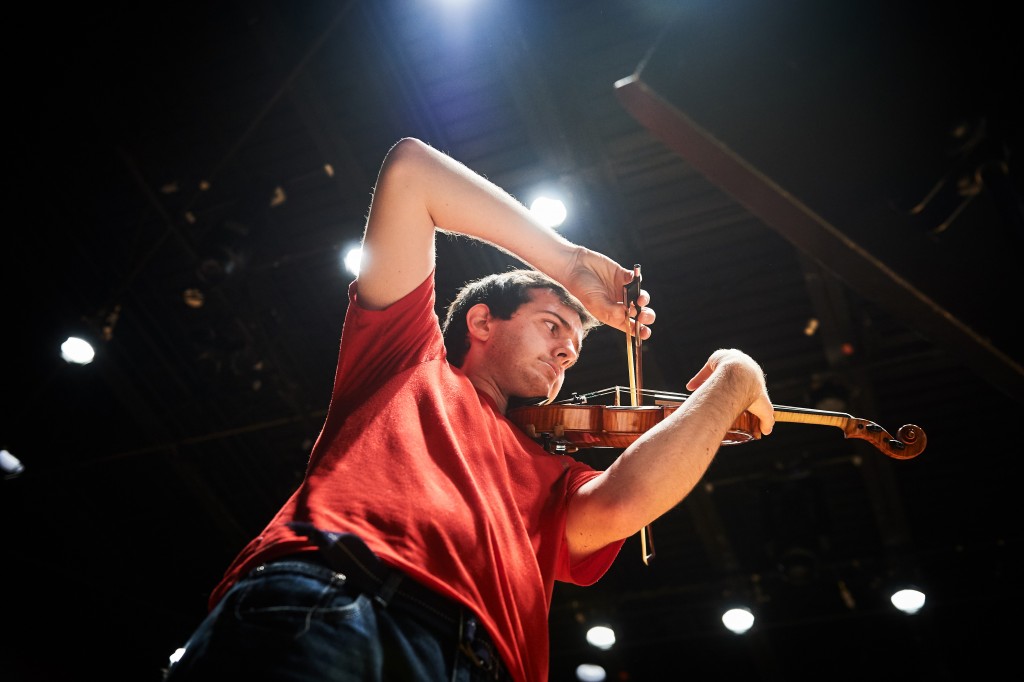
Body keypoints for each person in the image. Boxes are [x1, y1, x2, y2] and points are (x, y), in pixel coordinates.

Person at [163, 137, 775, 682]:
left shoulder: (555, 474)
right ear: (482, 321)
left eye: (576, 347)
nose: (567, 350)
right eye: (551, 325)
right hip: (340, 601)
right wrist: (564, 264)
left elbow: (625, 503)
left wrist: (732, 382)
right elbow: (412, 172)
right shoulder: (405, 357)